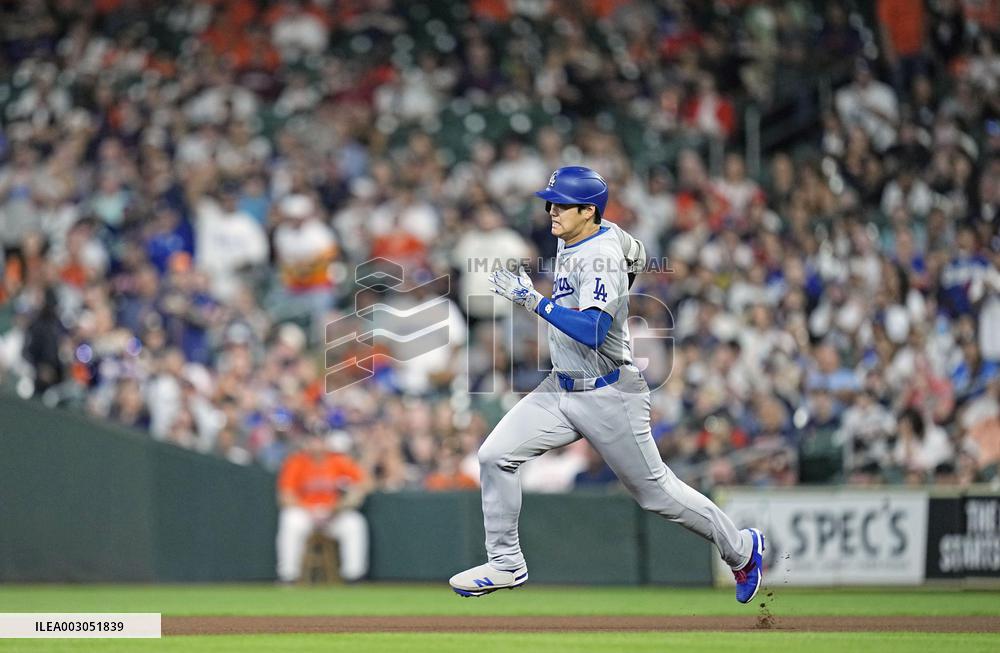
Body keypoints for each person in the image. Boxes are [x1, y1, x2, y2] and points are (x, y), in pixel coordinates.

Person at [448, 166, 765, 603]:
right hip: (561, 388)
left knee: (656, 494)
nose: (551, 211)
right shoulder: (587, 235)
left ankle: (743, 550)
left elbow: (595, 330)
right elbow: (638, 252)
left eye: (560, 204)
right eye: (550, 202)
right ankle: (506, 562)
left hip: (609, 391)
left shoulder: (601, 256)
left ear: (588, 210)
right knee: (494, 456)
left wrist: (534, 301)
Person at [275, 432, 371, 583]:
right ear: (307, 442)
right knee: (290, 519)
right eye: (313, 440)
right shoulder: (297, 462)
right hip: (306, 514)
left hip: (334, 513)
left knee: (354, 522)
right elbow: (285, 496)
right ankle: (288, 576)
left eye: (320, 440)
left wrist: (343, 504)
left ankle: (354, 576)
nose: (317, 445)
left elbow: (364, 485)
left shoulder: (338, 461)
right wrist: (309, 510)